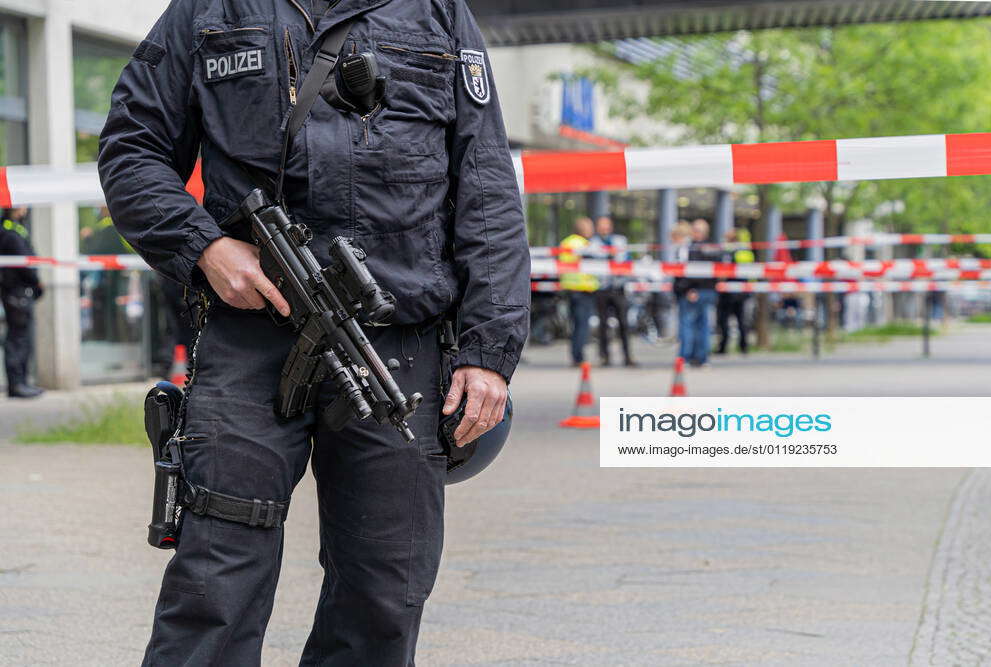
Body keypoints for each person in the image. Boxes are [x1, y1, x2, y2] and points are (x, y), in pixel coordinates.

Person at [98, 1, 530, 664]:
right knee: (215, 583)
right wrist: (206, 248)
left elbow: (486, 182)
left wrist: (490, 353)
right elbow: (132, 149)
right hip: (251, 337)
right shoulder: (209, 11)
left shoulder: (438, 12)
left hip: (398, 346)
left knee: (384, 594)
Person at [0, 208, 44, 398]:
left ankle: (22, 382)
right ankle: (17, 385)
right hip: (16, 293)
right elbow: (24, 262)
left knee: (21, 338)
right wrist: (36, 281)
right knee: (18, 339)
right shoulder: (11, 232)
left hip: (18, 291)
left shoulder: (15, 228)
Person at [593, 216, 636, 367]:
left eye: (607, 225)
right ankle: (604, 356)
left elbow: (628, 260)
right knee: (603, 324)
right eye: (601, 226)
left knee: (624, 323)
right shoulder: (593, 243)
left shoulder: (620, 241)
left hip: (618, 287)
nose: (604, 228)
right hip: (602, 288)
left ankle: (627, 356)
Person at [675, 219, 719, 367]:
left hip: (693, 292)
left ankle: (685, 358)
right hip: (708, 292)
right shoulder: (713, 247)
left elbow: (688, 271)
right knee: (704, 326)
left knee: (688, 325)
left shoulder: (691, 248)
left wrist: (689, 289)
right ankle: (702, 358)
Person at [559, 217, 600, 366]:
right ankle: (579, 358)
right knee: (582, 326)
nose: (592, 230)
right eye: (590, 227)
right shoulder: (583, 244)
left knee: (575, 325)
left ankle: (575, 355)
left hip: (570, 288)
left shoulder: (566, 242)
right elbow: (593, 264)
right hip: (583, 289)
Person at [716, 227, 753, 354]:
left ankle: (723, 347)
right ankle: (744, 347)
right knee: (741, 321)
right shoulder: (746, 251)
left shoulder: (729, 251)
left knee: (724, 320)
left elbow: (724, 271)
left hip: (729, 292)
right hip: (742, 292)